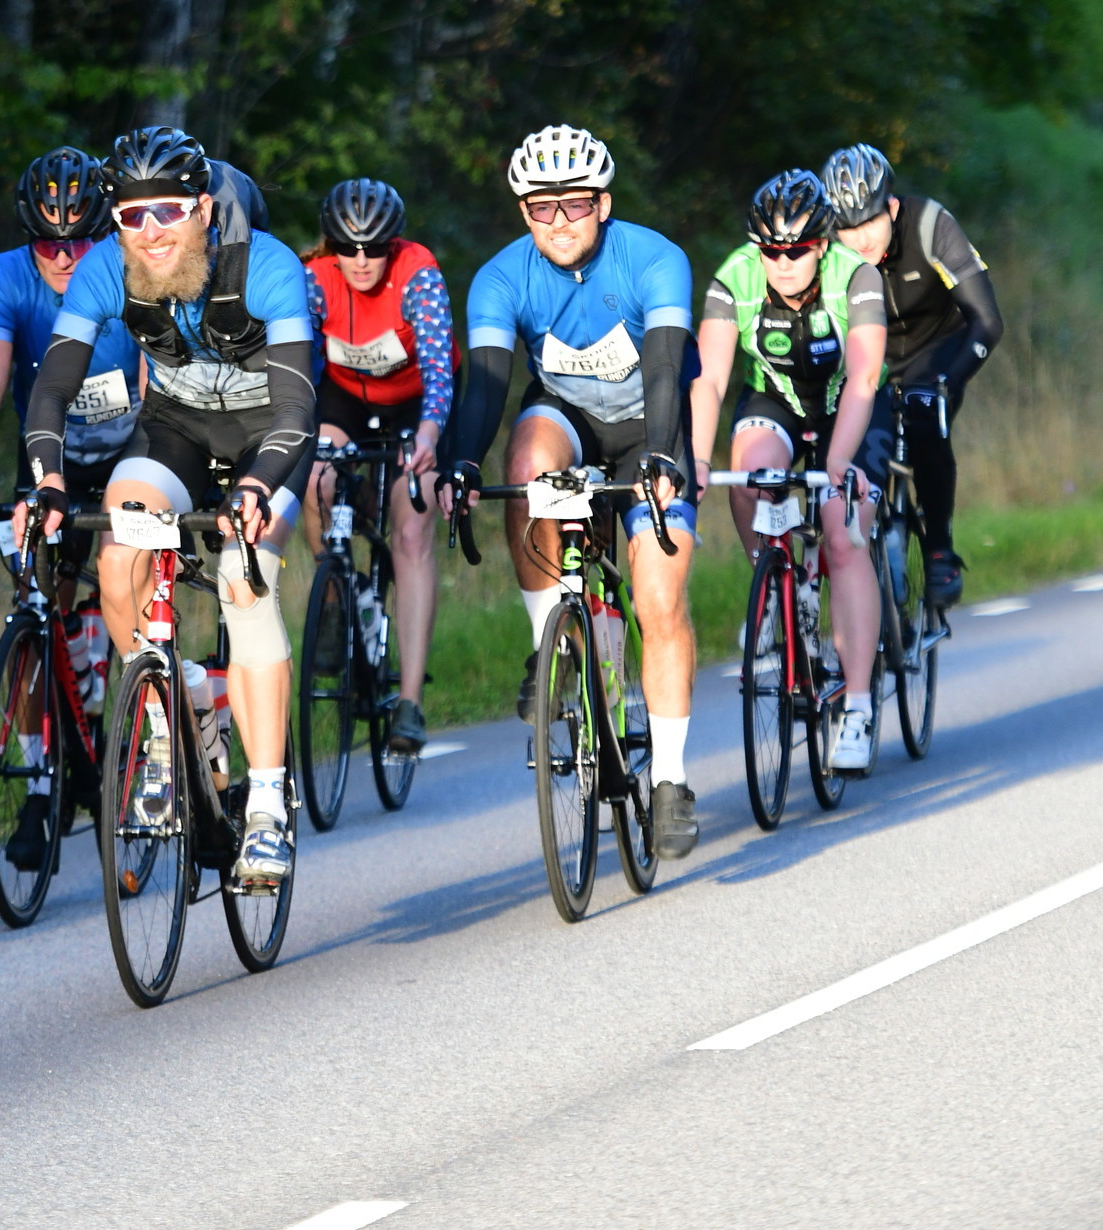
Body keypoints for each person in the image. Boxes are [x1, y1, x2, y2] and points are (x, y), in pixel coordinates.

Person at [18, 126, 316, 886]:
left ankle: (267, 808)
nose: (150, 232)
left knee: (243, 579)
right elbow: (51, 390)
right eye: (132, 215)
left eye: (169, 212)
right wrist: (48, 479)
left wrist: (256, 487)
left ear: (203, 211)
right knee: (119, 558)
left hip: (267, 436)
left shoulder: (268, 266)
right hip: (175, 430)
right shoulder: (102, 270)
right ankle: (165, 727)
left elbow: (296, 412)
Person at [440, 123, 702, 858]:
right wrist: (461, 463)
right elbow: (485, 384)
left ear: (603, 204)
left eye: (576, 204)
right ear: (522, 212)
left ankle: (670, 780)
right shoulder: (500, 277)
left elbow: (664, 367)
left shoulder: (654, 258)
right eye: (541, 207)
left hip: (651, 425)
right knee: (525, 462)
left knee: (658, 600)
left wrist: (662, 456)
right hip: (569, 419)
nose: (558, 221)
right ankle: (548, 647)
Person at [0, 147, 143, 870]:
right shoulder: (6, 277)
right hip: (50, 454)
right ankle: (39, 777)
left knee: (126, 579)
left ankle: (135, 729)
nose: (62, 257)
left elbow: (157, 383)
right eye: (46, 243)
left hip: (130, 446)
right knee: (34, 601)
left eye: (78, 242)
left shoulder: (131, 267)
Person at [689, 168, 888, 770]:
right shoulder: (735, 277)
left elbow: (865, 378)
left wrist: (837, 461)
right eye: (770, 251)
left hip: (846, 403)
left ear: (821, 244)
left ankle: (858, 706)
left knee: (842, 529)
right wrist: (697, 459)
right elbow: (711, 379)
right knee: (750, 476)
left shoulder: (856, 277)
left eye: (796, 250)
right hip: (775, 398)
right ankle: (774, 582)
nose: (782, 263)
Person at [302, 178, 459, 755]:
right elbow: (300, 366)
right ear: (333, 246)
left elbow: (439, 370)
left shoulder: (418, 274)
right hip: (346, 397)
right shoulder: (315, 277)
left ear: (393, 244)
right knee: (317, 477)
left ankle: (410, 702)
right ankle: (335, 599)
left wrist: (429, 436)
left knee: (412, 526)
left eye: (375, 248)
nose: (362, 260)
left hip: (416, 402)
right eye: (349, 248)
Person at [820, 143, 1003, 606]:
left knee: (925, 417)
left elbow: (987, 321)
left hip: (936, 348)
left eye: (869, 222)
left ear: (892, 208)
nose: (860, 239)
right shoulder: (827, 250)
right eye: (847, 228)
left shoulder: (929, 225)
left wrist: (949, 383)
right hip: (869, 359)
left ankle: (940, 549)